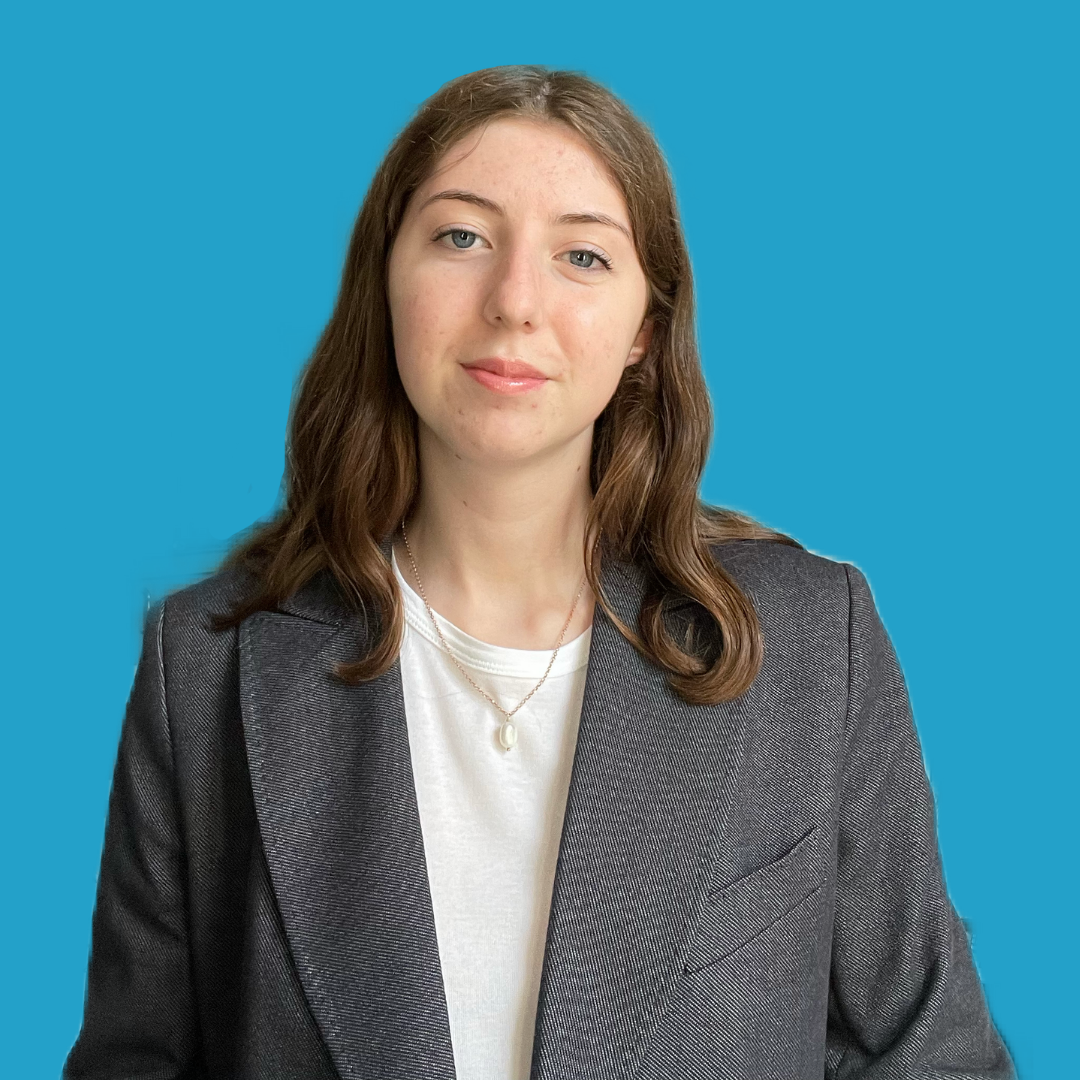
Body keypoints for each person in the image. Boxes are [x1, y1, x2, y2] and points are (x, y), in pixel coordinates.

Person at [63, 65, 1016, 1080]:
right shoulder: (207, 664)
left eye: (582, 256)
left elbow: (932, 1055)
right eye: (461, 236)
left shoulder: (813, 643)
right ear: (384, 278)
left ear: (646, 328)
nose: (515, 301)